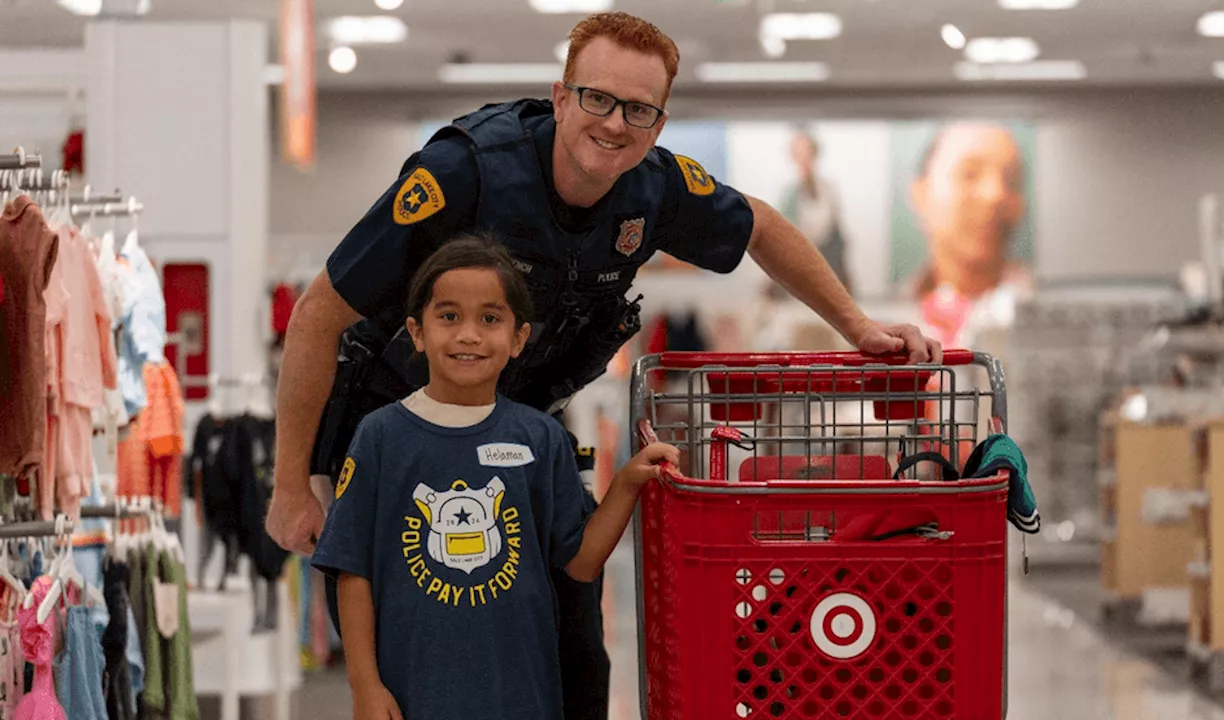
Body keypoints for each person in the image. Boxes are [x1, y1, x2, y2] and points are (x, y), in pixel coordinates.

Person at [266, 11, 941, 719]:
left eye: (638, 109)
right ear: (560, 97)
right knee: (413, 672)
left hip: (521, 443)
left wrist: (858, 328)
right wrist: (290, 485)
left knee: (576, 662)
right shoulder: (463, 172)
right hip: (401, 433)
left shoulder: (656, 189)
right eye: (597, 98)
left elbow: (761, 227)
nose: (615, 124)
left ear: (658, 122)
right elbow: (318, 315)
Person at [310, 237, 679, 720]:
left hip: (522, 697)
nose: (469, 335)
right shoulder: (379, 437)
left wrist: (628, 482)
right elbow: (352, 572)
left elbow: (582, 563)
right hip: (413, 697)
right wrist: (364, 685)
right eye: (448, 316)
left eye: (489, 318)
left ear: (519, 337)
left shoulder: (541, 438)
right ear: (416, 332)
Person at [907, 121, 1034, 347]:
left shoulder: (1040, 319)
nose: (995, 194)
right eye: (970, 174)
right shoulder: (884, 318)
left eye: (1011, 180)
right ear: (921, 194)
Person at [778, 128, 852, 295]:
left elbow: (835, 235)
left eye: (807, 152)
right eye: (798, 153)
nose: (804, 159)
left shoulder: (828, 189)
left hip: (830, 270)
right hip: (798, 274)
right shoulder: (790, 194)